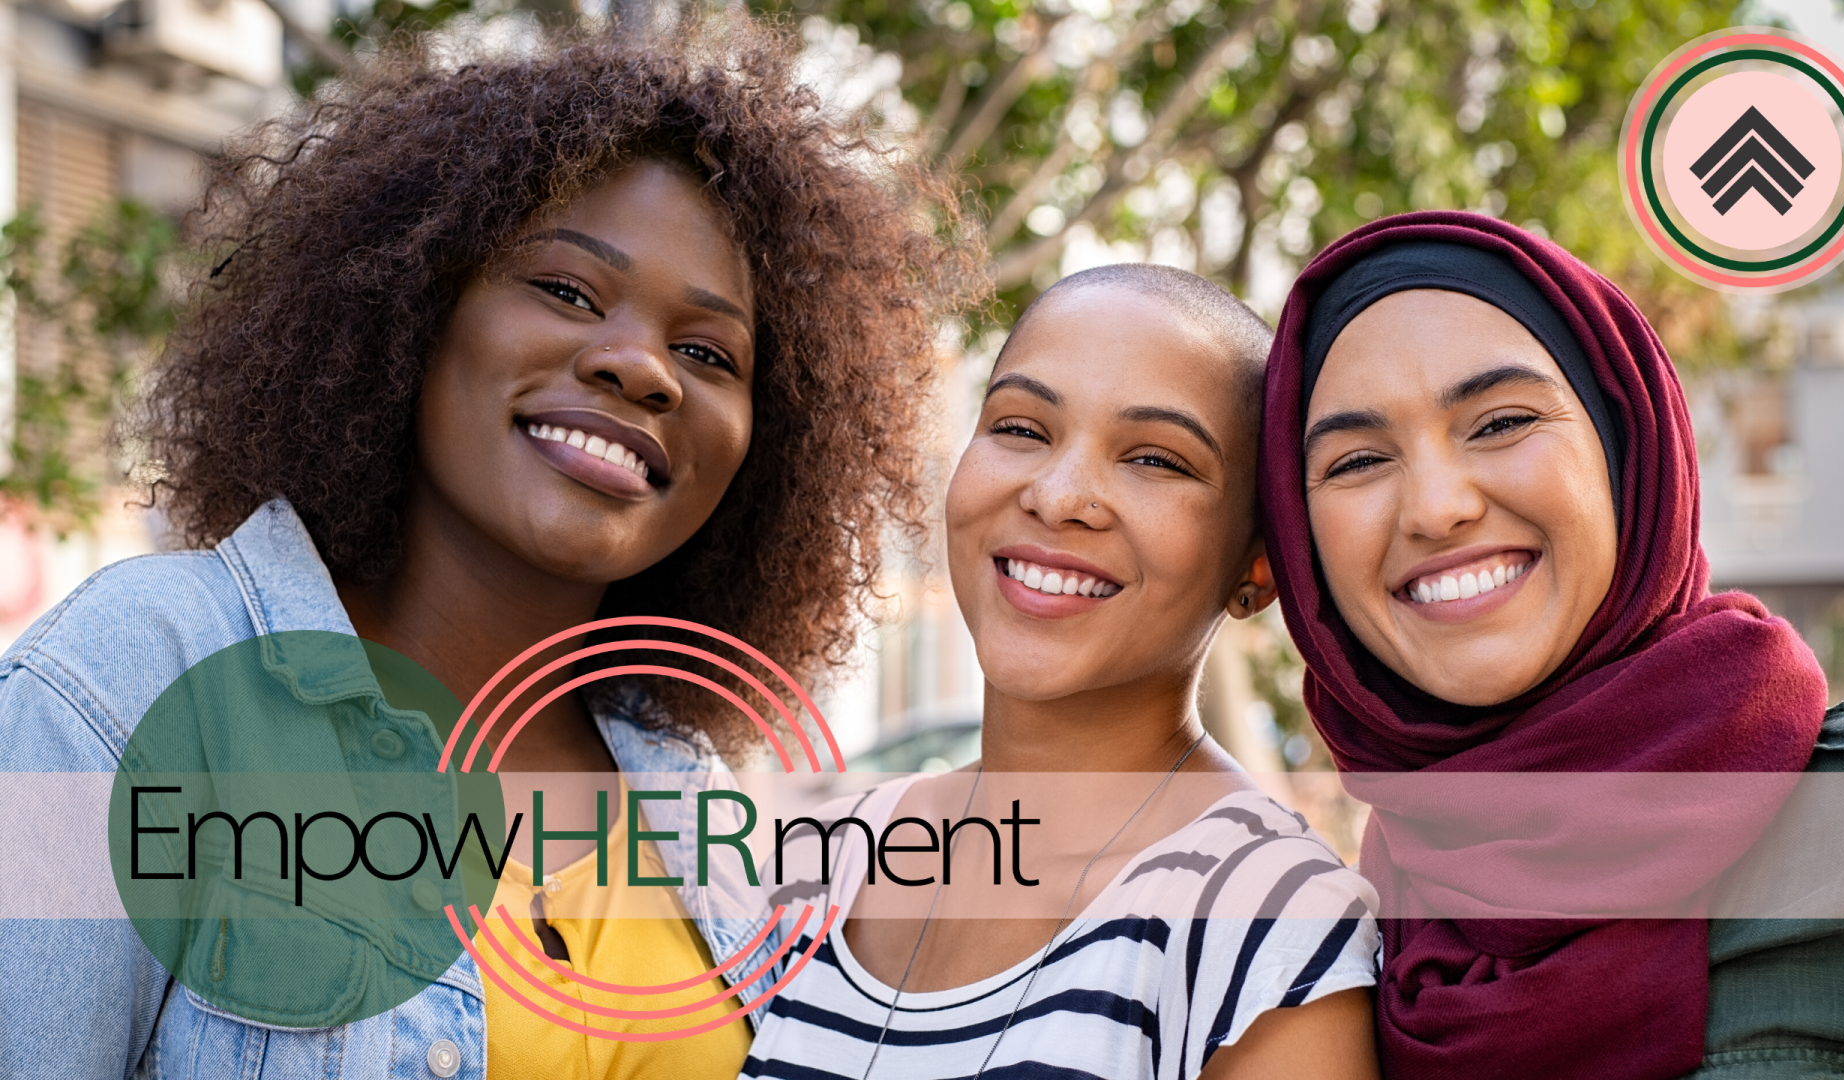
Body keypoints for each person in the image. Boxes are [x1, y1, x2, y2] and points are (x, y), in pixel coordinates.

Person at [0, 22, 982, 1080]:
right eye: (565, 290)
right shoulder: (141, 684)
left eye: (706, 353)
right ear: (412, 307)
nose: (641, 369)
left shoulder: (698, 811)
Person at [1259, 210, 1844, 1080]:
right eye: (1355, 463)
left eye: (1499, 422)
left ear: (1625, 449)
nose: (1435, 507)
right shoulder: (1331, 948)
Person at [742, 264, 1381, 1080]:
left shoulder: (1272, 922)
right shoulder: (821, 861)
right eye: (1021, 428)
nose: (1059, 494)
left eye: (1154, 459)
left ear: (1258, 566)